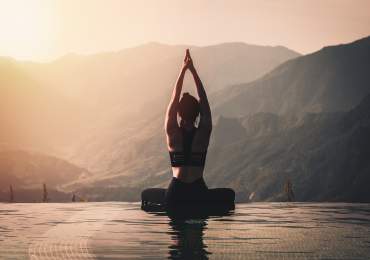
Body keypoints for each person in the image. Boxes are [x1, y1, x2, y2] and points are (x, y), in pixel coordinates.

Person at [164, 49, 234, 207]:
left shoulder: (173, 133)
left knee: (177, 231)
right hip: (198, 192)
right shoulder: (203, 132)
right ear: (197, 114)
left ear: (179, 114)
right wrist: (193, 71)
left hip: (176, 193)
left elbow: (174, 100)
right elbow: (203, 100)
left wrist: (183, 70)